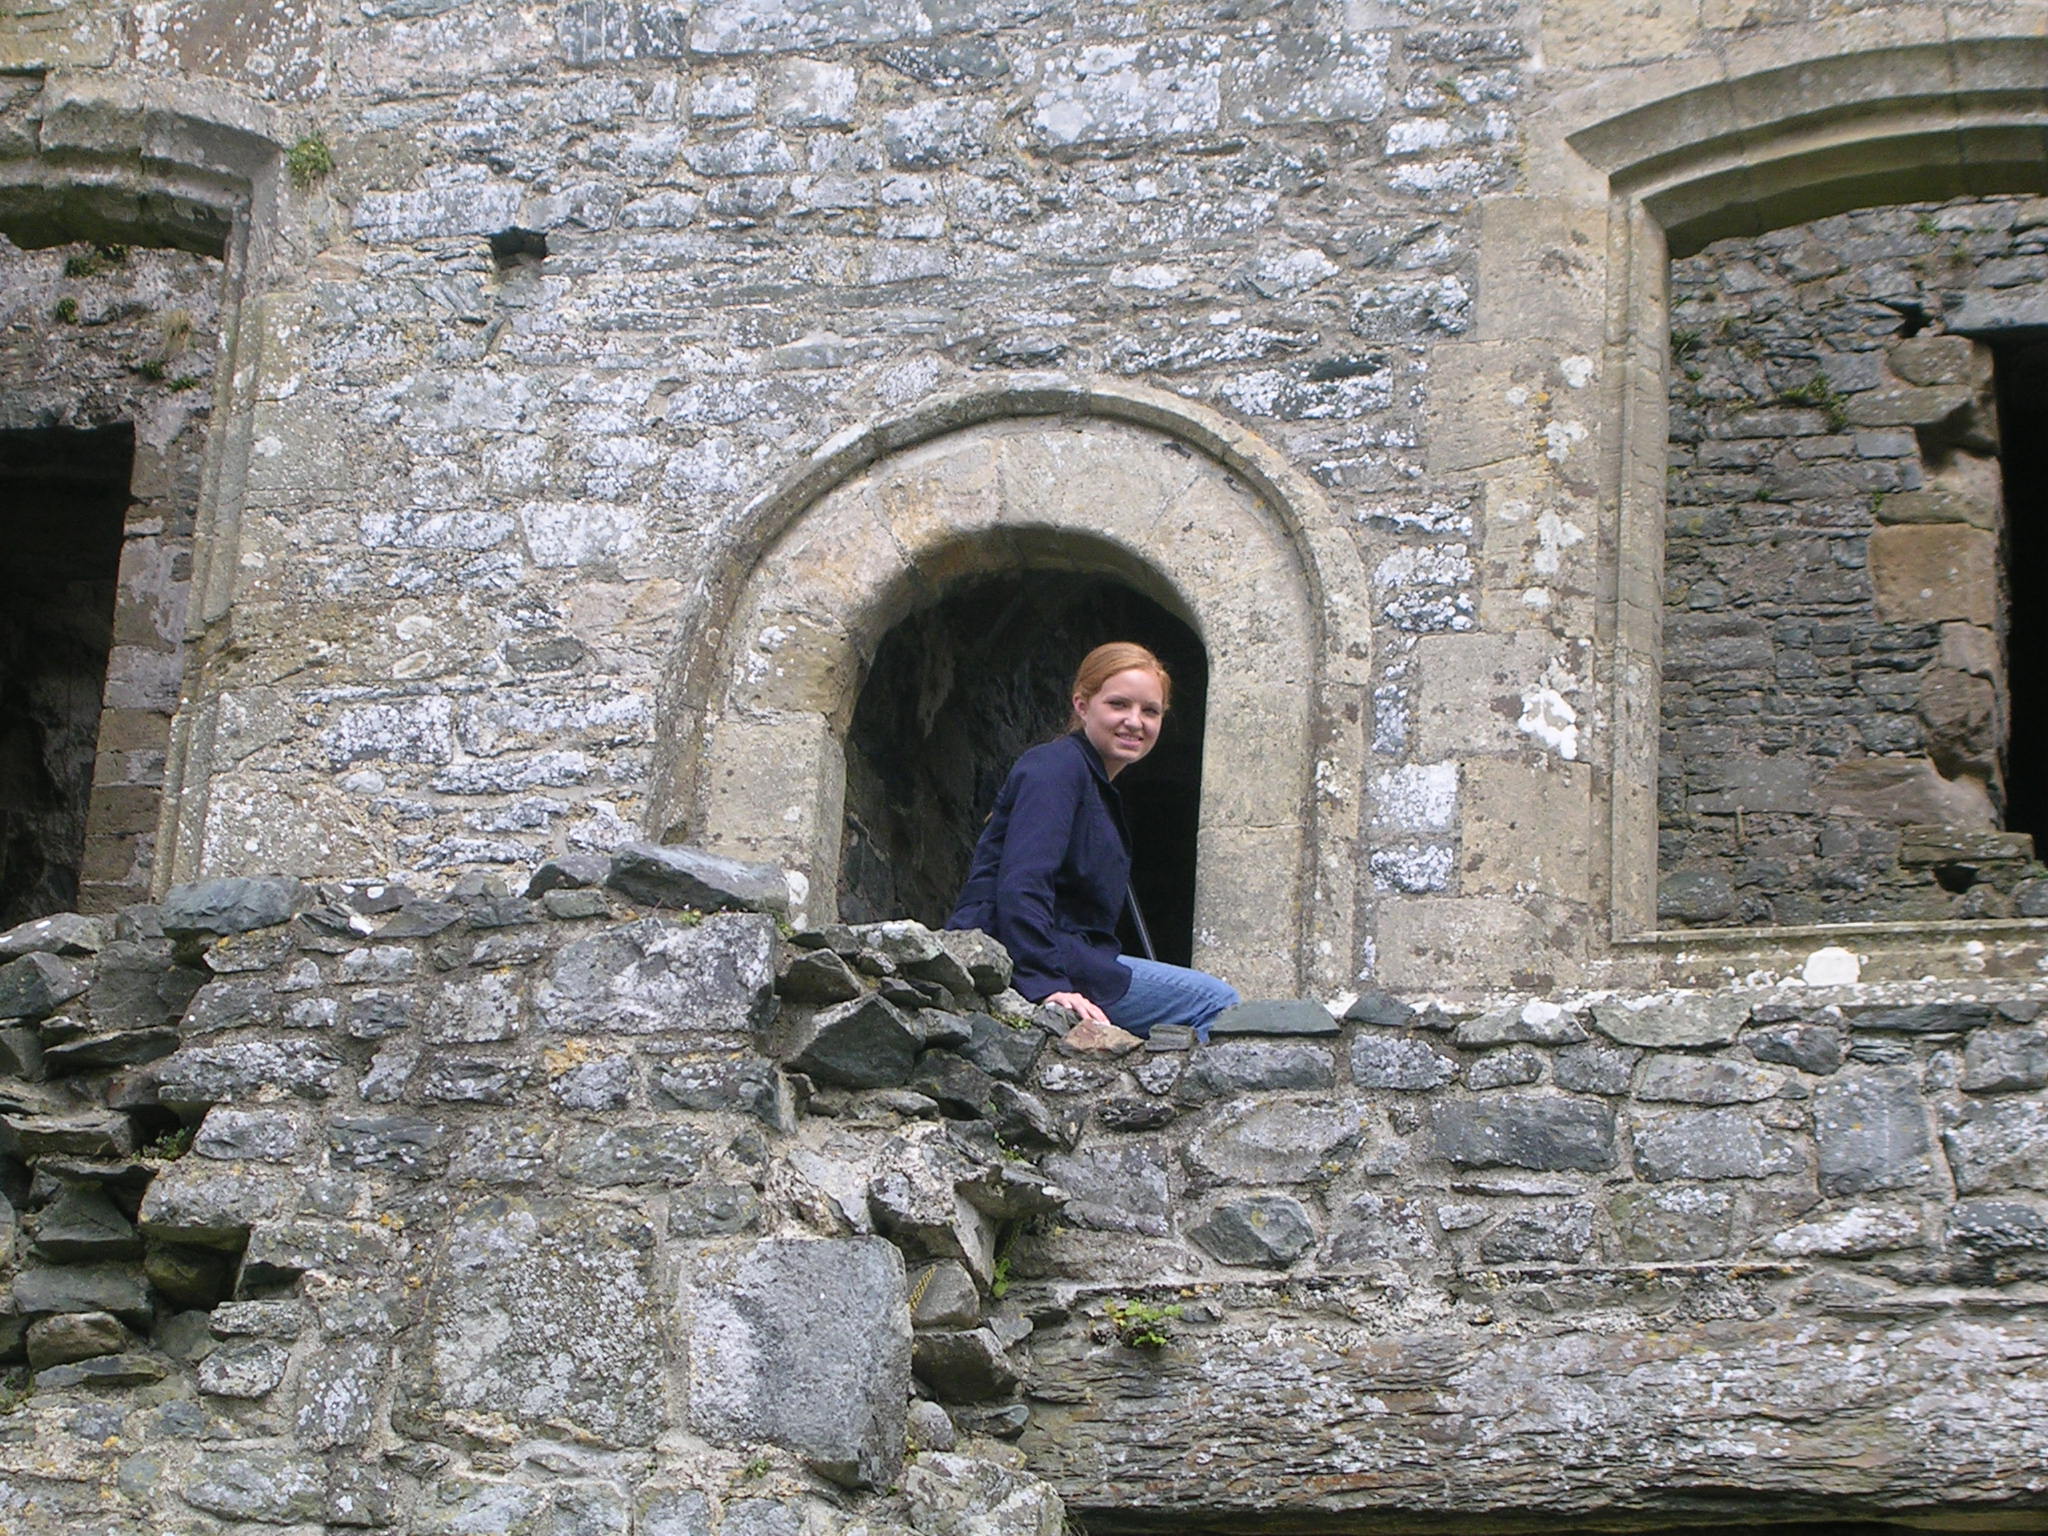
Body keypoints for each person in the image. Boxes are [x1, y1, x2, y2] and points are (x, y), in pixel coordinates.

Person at [945, 642, 1240, 1043]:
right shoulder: (1056, 766)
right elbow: (1022, 883)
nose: (1134, 722)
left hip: (1068, 954)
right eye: (1119, 704)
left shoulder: (1092, 784)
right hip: (1027, 951)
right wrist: (1047, 984)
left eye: (1150, 711)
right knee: (1216, 1004)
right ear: (1082, 705)